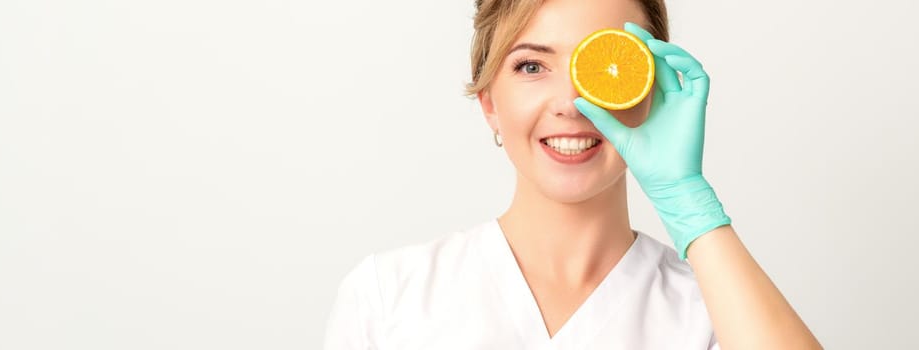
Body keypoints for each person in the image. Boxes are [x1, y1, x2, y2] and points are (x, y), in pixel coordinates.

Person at [324, 0, 823, 348]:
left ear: (651, 89)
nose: (571, 104)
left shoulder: (715, 313)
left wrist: (688, 200)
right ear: (489, 103)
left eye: (604, 65)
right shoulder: (389, 298)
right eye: (531, 67)